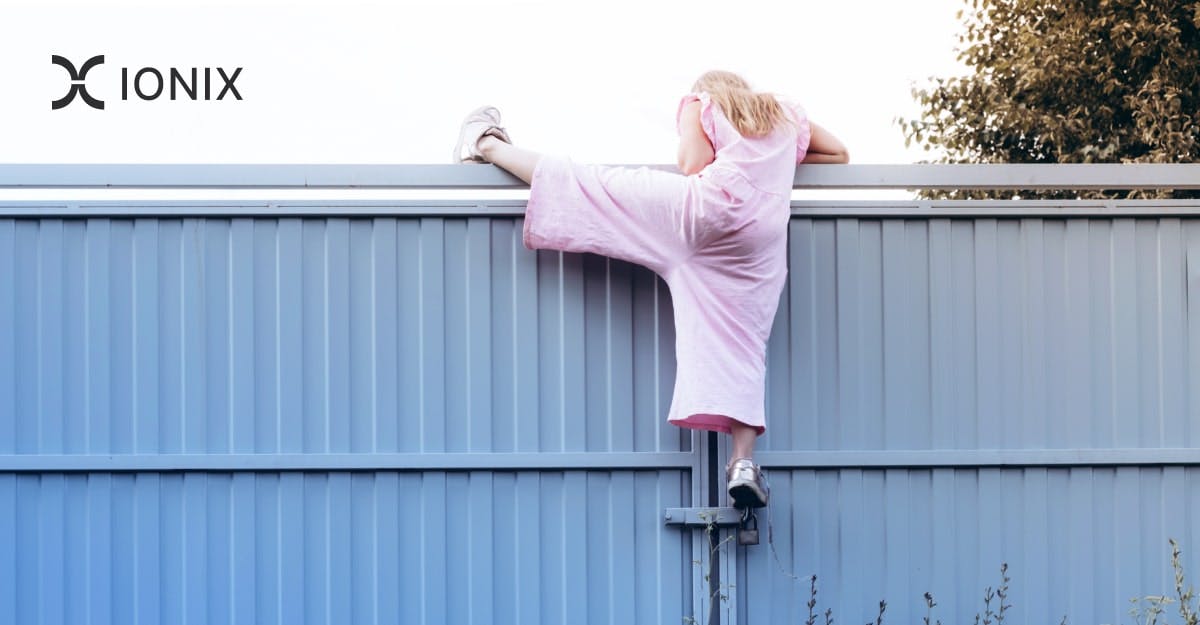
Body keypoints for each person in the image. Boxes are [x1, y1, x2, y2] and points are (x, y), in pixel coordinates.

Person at [453, 70, 849, 508]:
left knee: (595, 187)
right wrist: (778, 164)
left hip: (703, 212)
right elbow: (839, 154)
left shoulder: (702, 103)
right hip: (759, 237)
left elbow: (692, 164)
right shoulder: (784, 114)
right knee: (746, 343)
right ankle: (742, 463)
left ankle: (486, 143)